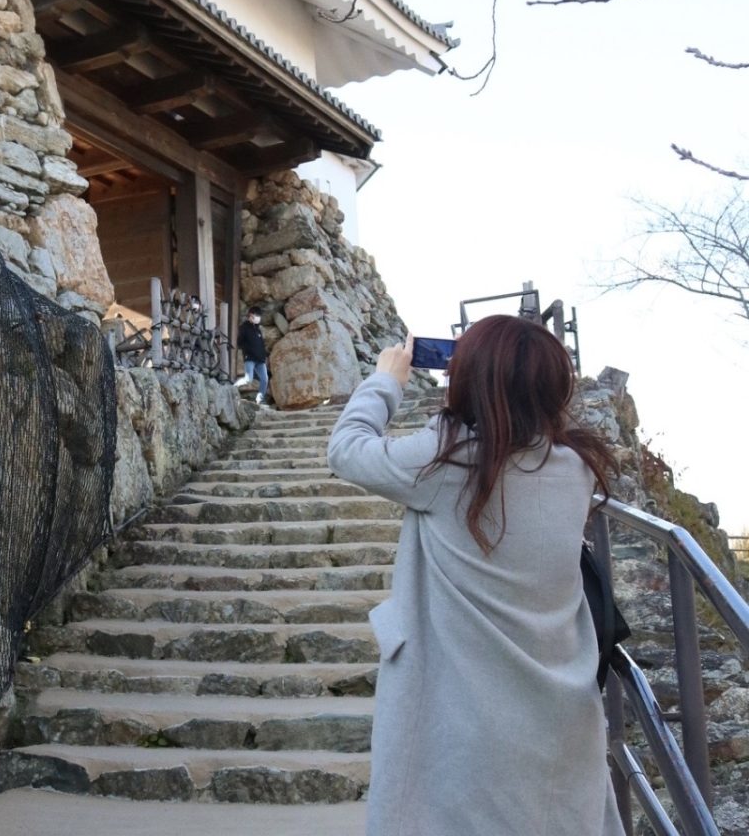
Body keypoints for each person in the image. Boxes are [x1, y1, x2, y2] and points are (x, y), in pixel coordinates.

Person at [327, 316, 623, 836]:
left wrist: (386, 381)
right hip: (560, 707)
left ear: (472, 380)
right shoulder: (576, 468)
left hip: (463, 720)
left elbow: (347, 449)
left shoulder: (448, 461)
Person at [236, 306, 270, 403]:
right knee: (248, 379)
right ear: (251, 315)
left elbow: (261, 344)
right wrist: (247, 350)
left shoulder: (258, 329)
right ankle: (233, 387)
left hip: (260, 360)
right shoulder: (244, 328)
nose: (259, 318)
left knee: (265, 379)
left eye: (259, 316)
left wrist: (264, 356)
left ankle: (260, 399)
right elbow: (239, 342)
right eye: (257, 315)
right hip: (250, 358)